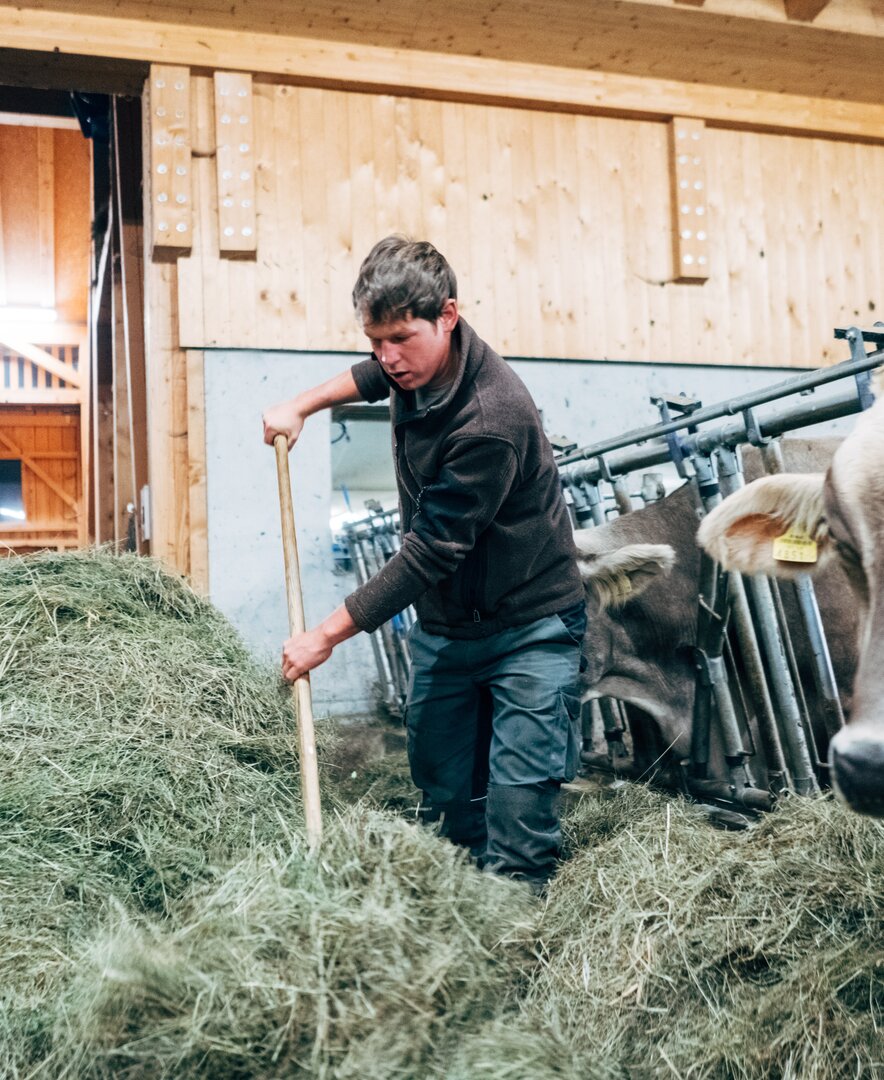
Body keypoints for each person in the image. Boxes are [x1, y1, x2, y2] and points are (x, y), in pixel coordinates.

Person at [262, 236, 586, 892]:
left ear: (448, 314)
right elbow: (370, 374)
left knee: (517, 816)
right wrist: (301, 404)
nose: (386, 357)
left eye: (399, 338)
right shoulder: (411, 361)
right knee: (445, 795)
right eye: (374, 339)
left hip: (530, 628)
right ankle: (465, 913)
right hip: (447, 629)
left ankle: (517, 939)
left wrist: (323, 636)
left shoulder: (490, 419)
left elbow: (429, 553)